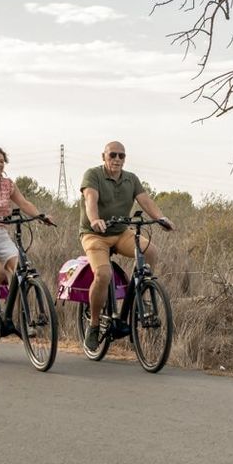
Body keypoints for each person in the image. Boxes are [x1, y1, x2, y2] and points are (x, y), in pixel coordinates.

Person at [78, 141, 174, 351]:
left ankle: (140, 292)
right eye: (113, 155)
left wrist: (161, 218)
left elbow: (145, 201)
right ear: (103, 156)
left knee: (150, 251)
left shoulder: (131, 179)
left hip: (121, 232)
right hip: (95, 235)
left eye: (122, 156)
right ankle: (94, 325)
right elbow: (90, 199)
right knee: (103, 275)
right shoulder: (93, 175)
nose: (117, 160)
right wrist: (94, 219)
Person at [0, 146, 56, 323]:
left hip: (1, 235)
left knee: (21, 272)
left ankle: (20, 319)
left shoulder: (8, 184)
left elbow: (23, 202)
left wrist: (40, 216)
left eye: (1, 161)